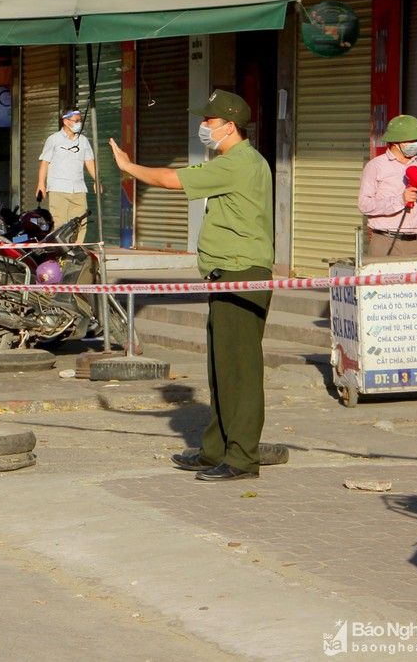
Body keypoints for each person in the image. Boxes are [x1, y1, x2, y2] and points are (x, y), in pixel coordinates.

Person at [109, 90, 274, 482]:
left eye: (210, 122)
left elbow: (170, 180)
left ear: (230, 126)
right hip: (226, 274)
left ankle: (242, 458)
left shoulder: (239, 162)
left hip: (241, 275)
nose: (203, 127)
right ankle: (216, 448)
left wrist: (129, 166)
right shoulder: (233, 161)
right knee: (221, 369)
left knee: (240, 371)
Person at [358, 114, 417, 257]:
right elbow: (364, 205)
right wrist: (400, 200)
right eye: (412, 139)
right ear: (396, 142)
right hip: (385, 242)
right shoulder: (376, 166)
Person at [37, 108, 98, 243]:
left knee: (80, 224)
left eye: (80, 120)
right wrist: (41, 183)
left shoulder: (83, 141)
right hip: (58, 189)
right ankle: (59, 253)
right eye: (76, 121)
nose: (79, 123)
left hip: (78, 189)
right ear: (65, 121)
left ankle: (76, 252)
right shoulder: (53, 139)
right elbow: (45, 163)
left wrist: (97, 180)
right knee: (59, 224)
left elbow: (89, 162)